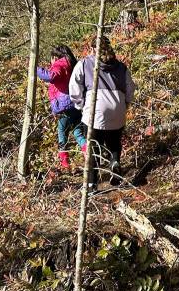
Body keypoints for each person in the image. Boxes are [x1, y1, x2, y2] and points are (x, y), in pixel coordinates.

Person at [69, 35, 135, 192]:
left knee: (93, 148)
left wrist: (80, 105)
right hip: (117, 110)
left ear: (92, 49)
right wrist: (125, 103)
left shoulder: (84, 64)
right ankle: (114, 163)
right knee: (114, 142)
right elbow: (130, 88)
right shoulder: (121, 67)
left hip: (95, 112)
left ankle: (91, 185)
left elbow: (74, 87)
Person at [37, 44, 87, 170]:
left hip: (65, 106)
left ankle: (65, 164)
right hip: (76, 103)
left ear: (55, 56)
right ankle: (88, 152)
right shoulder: (72, 63)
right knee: (77, 131)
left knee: (62, 133)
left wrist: (36, 69)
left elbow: (51, 77)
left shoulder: (59, 64)